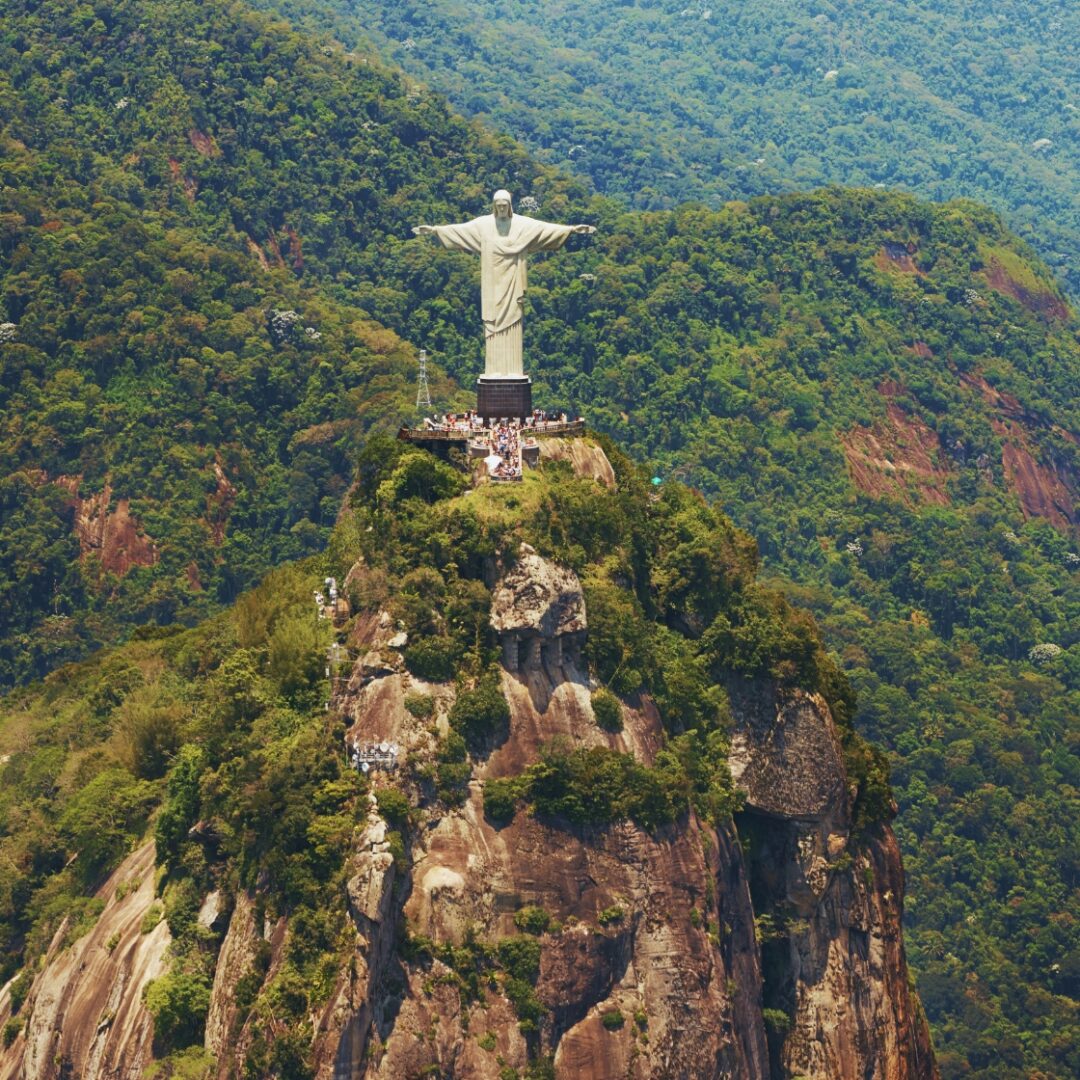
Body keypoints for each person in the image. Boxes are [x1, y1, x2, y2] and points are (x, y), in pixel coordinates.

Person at [413, 192, 595, 378]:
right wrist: (435, 230)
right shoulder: (483, 225)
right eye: (498, 205)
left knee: (513, 322)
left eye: (504, 205)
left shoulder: (522, 225)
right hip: (492, 285)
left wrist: (571, 230)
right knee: (492, 324)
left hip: (513, 283)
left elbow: (544, 230)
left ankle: (513, 370)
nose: (501, 209)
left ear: (509, 206)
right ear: (494, 206)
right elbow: (460, 231)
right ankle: (494, 371)